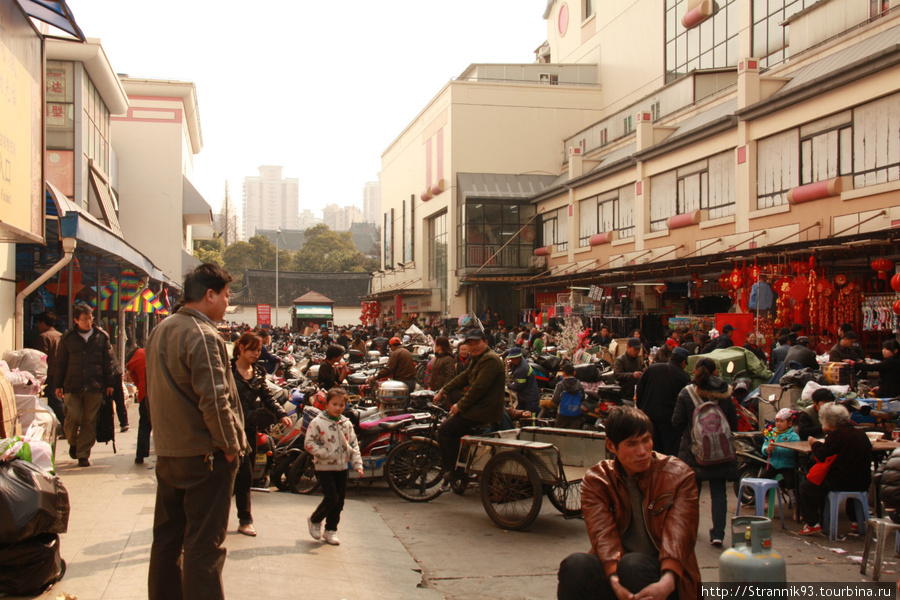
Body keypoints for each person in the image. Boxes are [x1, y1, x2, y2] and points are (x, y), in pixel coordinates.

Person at [145, 263, 248, 600]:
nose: (226, 304)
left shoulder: (162, 329)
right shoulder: (202, 334)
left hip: (171, 453)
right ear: (209, 295)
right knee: (204, 547)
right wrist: (230, 447)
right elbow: (215, 399)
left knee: (167, 541)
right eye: (226, 296)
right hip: (204, 457)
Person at [557, 406, 701, 600]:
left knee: (633, 565)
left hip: (667, 576)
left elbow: (679, 534)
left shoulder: (678, 475)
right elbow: (602, 533)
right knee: (575, 565)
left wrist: (668, 580)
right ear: (611, 445)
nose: (642, 451)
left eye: (646, 440)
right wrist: (614, 578)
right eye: (631, 444)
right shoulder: (598, 480)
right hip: (617, 569)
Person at [672, 357, 737, 547]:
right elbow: (733, 422)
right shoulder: (724, 392)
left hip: (694, 450)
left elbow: (676, 422)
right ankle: (718, 534)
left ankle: (691, 530)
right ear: (715, 371)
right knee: (719, 493)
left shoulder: (687, 393)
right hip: (721, 452)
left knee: (693, 492)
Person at [231, 333, 291, 537]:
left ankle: (245, 519)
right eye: (252, 350)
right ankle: (214, 519)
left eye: (259, 350)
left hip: (249, 429)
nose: (256, 354)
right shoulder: (227, 370)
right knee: (223, 475)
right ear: (241, 348)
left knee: (245, 475)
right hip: (228, 427)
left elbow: (267, 396)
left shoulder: (258, 372)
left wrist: (281, 414)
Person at [433, 330, 505, 490]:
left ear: (485, 342)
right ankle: (461, 464)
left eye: (476, 343)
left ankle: (456, 471)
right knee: (451, 428)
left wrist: (461, 405)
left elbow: (479, 388)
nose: (473, 347)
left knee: (445, 431)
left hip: (484, 409)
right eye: (470, 344)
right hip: (478, 406)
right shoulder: (478, 359)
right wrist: (443, 390)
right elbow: (464, 377)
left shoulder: (490, 360)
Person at [53, 304, 116, 467]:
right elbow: (59, 363)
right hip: (72, 386)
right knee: (72, 418)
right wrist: (58, 384)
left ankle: (83, 454)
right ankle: (73, 442)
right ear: (76, 320)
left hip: (95, 386)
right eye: (84, 319)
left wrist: (110, 383)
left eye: (90, 318)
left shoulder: (101, 337)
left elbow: (108, 362)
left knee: (89, 421)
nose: (88, 322)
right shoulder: (67, 338)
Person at [798, 403, 872, 535]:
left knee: (806, 487)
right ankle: (856, 521)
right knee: (851, 487)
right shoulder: (861, 434)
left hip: (840, 481)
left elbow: (821, 455)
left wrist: (814, 444)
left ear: (829, 422)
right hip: (863, 481)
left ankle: (812, 523)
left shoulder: (837, 435)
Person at [304, 388, 364, 546]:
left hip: (342, 467)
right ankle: (315, 519)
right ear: (326, 404)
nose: (337, 408)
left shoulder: (346, 424)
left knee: (339, 501)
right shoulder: (317, 423)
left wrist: (357, 464)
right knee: (331, 497)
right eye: (334, 404)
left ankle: (331, 530)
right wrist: (324, 453)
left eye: (341, 405)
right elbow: (309, 443)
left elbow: (353, 445)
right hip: (324, 467)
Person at [636, 346, 692, 456]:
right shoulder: (683, 377)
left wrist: (641, 408)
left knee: (651, 451)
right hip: (670, 423)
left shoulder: (652, 369)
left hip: (649, 418)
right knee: (670, 454)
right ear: (683, 362)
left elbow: (639, 390)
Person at [34, 312, 65, 429]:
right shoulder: (60, 336)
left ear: (43, 323)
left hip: (51, 374)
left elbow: (41, 358)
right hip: (62, 372)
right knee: (61, 400)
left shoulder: (44, 337)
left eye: (39, 323)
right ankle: (68, 426)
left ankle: (67, 426)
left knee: (55, 401)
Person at [761, 408, 800, 495]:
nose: (778, 424)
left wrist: (776, 449)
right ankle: (765, 498)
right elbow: (765, 443)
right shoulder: (772, 433)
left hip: (787, 465)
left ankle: (794, 501)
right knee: (763, 477)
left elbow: (792, 451)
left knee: (791, 481)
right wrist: (766, 450)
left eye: (782, 421)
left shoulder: (793, 436)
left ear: (789, 422)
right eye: (777, 421)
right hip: (773, 464)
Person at [126, 347, 151, 465]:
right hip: (163, 392)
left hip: (145, 394)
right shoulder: (153, 349)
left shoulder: (135, 359)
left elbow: (134, 378)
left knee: (144, 425)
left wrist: (140, 388)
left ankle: (140, 455)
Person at [546, 363, 584, 429]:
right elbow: (582, 397)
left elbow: (555, 399)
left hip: (562, 412)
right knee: (573, 433)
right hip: (575, 412)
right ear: (574, 373)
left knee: (559, 432)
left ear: (563, 374)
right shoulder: (579, 384)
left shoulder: (560, 384)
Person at [506, 346, 540, 413]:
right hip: (526, 396)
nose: (512, 361)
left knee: (529, 418)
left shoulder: (521, 369)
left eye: (513, 359)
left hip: (529, 398)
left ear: (518, 357)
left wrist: (509, 385)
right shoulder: (521, 361)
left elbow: (518, 386)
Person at [613, 338, 644, 403]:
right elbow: (617, 375)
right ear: (628, 347)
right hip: (625, 394)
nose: (637, 352)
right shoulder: (620, 360)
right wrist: (632, 375)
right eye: (635, 349)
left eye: (638, 350)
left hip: (636, 393)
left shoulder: (638, 360)